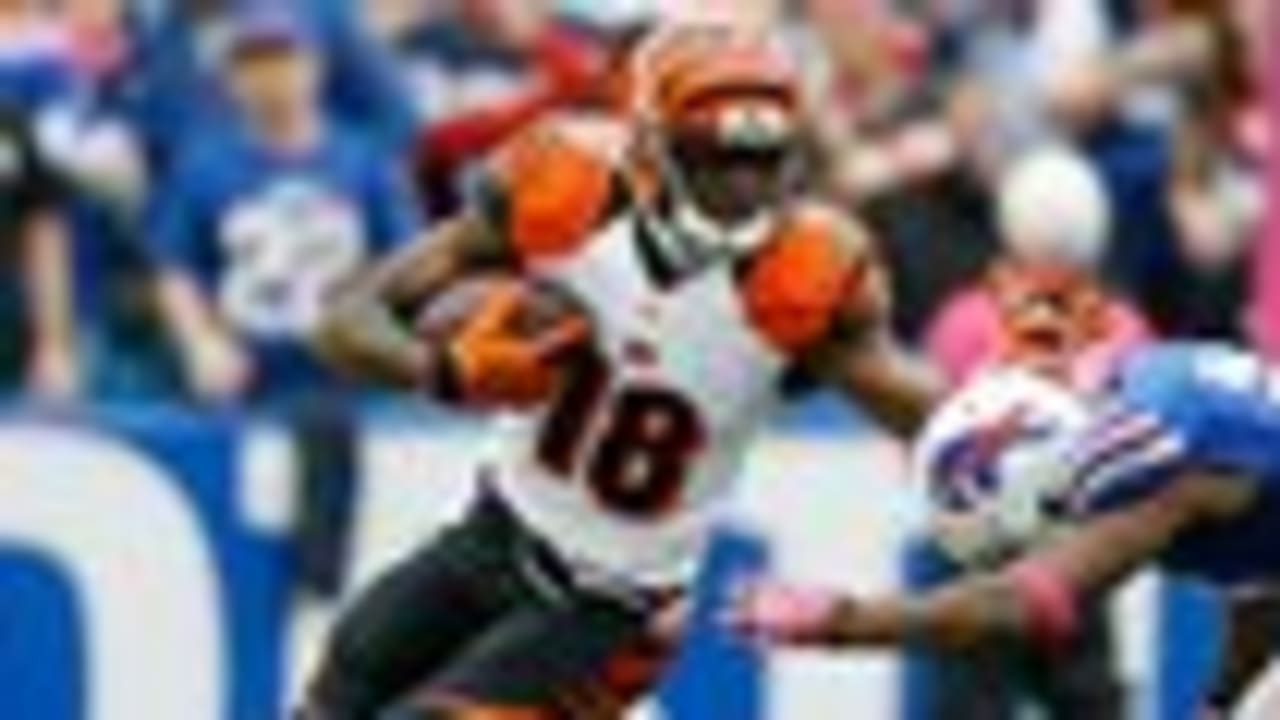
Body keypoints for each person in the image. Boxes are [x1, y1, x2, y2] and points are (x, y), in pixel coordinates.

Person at [302, 24, 941, 719]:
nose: (743, 183)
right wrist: (441, 371)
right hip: (493, 535)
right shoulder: (564, 192)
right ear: (650, 145)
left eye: (762, 159)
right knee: (345, 681)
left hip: (613, 609)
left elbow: (927, 412)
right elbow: (344, 320)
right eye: (714, 157)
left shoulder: (805, 280)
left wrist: (1016, 436)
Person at [731, 341, 1280, 718]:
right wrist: (1224, 700)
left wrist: (849, 623)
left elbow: (1010, 605)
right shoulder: (1119, 402)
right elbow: (1258, 572)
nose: (1030, 558)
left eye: (1014, 549)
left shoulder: (1150, 466)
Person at [146, 9, 421, 596]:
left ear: (315, 66)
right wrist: (200, 343)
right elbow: (173, 265)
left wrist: (374, 328)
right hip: (246, 382)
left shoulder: (362, 159)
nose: (271, 78)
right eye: (253, 63)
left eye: (283, 59)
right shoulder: (205, 163)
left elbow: (407, 262)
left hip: (345, 387)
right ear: (232, 78)